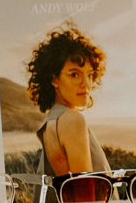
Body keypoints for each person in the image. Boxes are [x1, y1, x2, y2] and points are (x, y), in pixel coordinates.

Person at [26, 22, 110, 176]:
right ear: (54, 79)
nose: (86, 84)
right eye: (75, 74)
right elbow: (85, 191)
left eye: (90, 75)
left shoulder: (52, 120)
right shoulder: (72, 120)